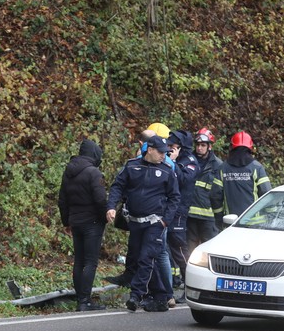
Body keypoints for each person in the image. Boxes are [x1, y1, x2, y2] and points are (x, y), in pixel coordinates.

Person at [106, 135, 180, 312]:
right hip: (135, 222)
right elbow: (118, 186)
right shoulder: (132, 166)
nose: (164, 155)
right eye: (161, 152)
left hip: (155, 223)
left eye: (166, 152)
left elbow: (175, 198)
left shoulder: (167, 170)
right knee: (141, 258)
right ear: (150, 150)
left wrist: (165, 221)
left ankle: (136, 295)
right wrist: (111, 207)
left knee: (146, 257)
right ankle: (161, 296)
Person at [58, 139, 108, 311]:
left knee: (78, 260)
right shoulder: (94, 173)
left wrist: (66, 222)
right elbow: (101, 199)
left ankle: (80, 298)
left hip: (75, 222)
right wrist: (105, 217)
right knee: (90, 261)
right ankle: (84, 301)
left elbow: (62, 200)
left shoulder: (69, 171)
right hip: (92, 222)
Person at [211, 131, 272, 227]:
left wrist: (219, 217)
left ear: (232, 147)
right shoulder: (257, 168)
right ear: (250, 147)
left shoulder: (223, 169)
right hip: (255, 224)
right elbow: (266, 192)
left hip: (231, 223)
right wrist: (271, 215)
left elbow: (215, 196)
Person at [165, 129, 199, 288]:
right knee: (166, 246)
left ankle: (190, 284)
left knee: (179, 246)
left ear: (181, 147)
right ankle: (173, 281)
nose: (169, 148)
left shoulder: (191, 161)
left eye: (173, 145)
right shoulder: (170, 158)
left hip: (180, 210)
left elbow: (184, 179)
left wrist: (173, 162)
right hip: (168, 207)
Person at [187, 128, 222, 253]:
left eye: (203, 145)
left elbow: (219, 193)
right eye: (198, 145)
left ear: (209, 147)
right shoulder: (188, 161)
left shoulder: (218, 166)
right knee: (189, 250)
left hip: (208, 217)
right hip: (190, 215)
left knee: (209, 250)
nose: (199, 148)